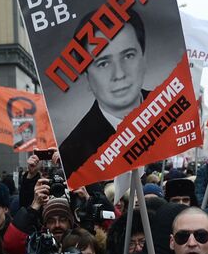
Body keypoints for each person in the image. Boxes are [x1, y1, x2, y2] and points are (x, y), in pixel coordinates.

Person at [59, 11, 149, 178]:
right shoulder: (73, 153)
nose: (119, 74)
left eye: (128, 55)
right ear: (87, 76)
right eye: (103, 63)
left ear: (144, 58)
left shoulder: (173, 108)